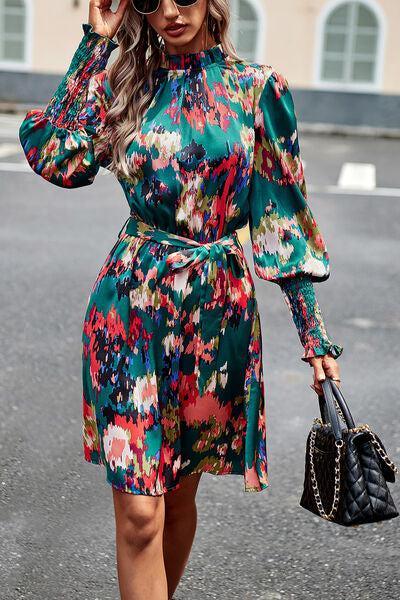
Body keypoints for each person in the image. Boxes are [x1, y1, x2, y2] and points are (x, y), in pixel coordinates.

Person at [19, 1, 343, 598]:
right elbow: (55, 157)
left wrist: (313, 335)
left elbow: (282, 219)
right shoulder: (125, 85)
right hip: (131, 310)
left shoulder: (257, 90)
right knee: (142, 514)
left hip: (216, 318)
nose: (169, 11)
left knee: (178, 492)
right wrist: (95, 44)